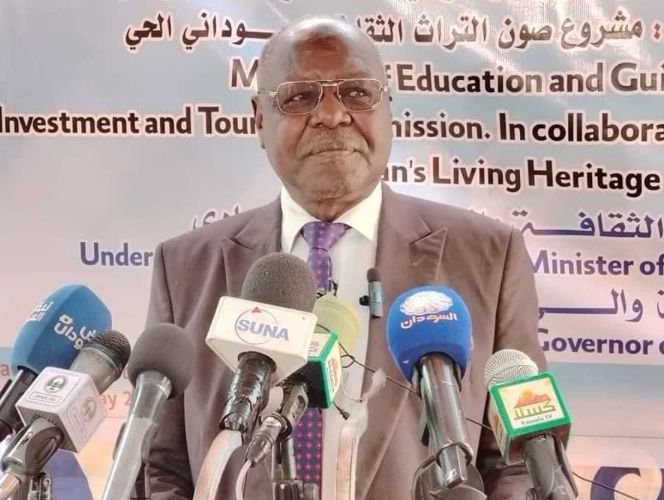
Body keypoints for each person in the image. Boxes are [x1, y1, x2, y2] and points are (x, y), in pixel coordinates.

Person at [145, 15, 545, 500]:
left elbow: (520, 462)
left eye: (357, 92)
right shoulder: (184, 266)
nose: (332, 115)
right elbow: (162, 467)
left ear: (389, 109)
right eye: (299, 96)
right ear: (259, 120)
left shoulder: (489, 256)